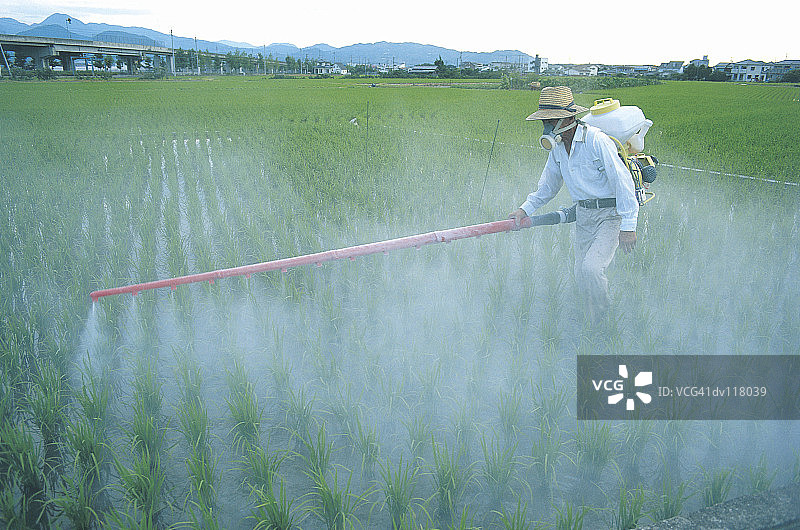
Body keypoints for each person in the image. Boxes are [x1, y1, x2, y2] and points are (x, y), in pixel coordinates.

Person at [509, 86, 638, 322]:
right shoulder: (558, 148)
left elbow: (623, 182)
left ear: (569, 118)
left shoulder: (596, 141)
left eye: (552, 121)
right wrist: (524, 209)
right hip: (584, 216)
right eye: (544, 122)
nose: (547, 127)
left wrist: (628, 227)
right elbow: (548, 186)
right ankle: (589, 316)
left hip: (610, 216)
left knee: (591, 269)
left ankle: (604, 318)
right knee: (581, 273)